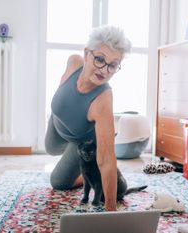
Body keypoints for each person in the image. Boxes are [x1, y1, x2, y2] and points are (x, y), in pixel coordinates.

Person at [45, 25, 132, 211]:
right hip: (58, 124)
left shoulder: (103, 99)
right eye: (100, 59)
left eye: (113, 65)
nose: (105, 70)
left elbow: (107, 158)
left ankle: (93, 174)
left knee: (58, 182)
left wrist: (110, 211)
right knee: (50, 148)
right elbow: (66, 93)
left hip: (81, 141)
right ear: (86, 54)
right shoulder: (73, 62)